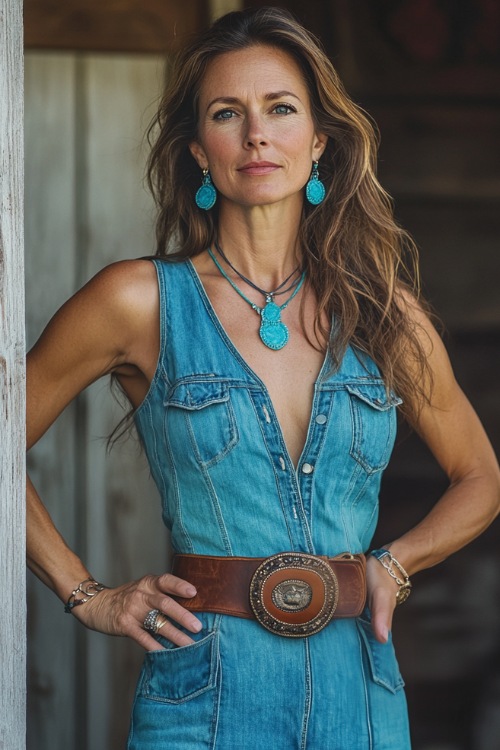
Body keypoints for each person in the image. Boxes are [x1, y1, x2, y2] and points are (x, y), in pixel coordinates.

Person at [26, 7, 500, 749]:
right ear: (197, 150)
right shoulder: (137, 302)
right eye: (227, 113)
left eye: (280, 109)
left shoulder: (382, 313)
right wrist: (85, 594)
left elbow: (480, 475)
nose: (256, 134)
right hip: (203, 695)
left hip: (362, 695)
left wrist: (395, 566)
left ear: (317, 141)